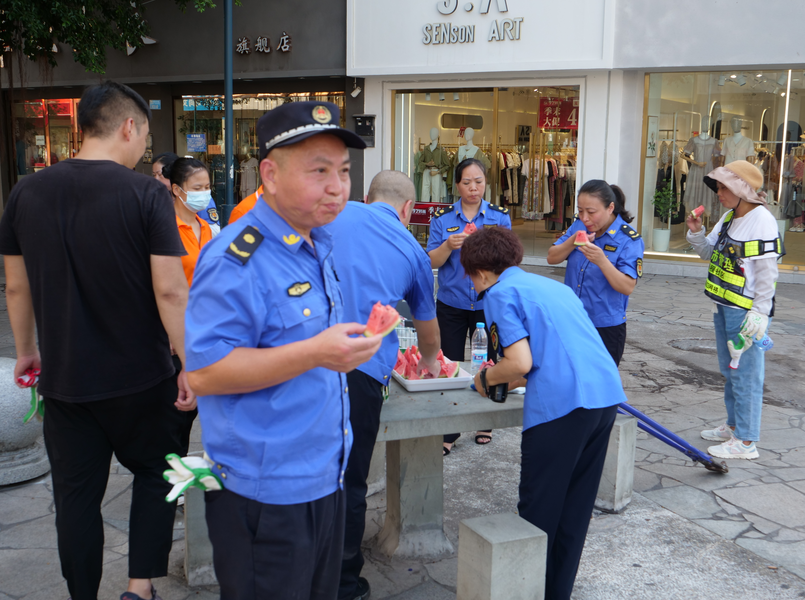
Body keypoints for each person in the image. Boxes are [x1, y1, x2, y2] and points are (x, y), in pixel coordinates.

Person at [0, 80, 195, 600]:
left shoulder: (25, 192)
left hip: (66, 383)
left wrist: (26, 351)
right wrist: (189, 363)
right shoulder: (147, 194)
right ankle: (138, 587)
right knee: (162, 471)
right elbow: (171, 291)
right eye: (144, 135)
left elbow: (15, 285)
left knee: (76, 500)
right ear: (128, 127)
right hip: (142, 378)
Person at [184, 101, 382, 600]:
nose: (337, 187)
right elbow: (205, 373)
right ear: (269, 175)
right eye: (319, 171)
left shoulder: (317, 243)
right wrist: (316, 353)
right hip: (264, 494)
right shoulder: (236, 257)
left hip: (325, 477)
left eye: (343, 171)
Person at [461, 227, 625, 600]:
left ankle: (526, 591)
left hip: (563, 408)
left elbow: (519, 362)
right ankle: (556, 593)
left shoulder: (499, 293)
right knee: (575, 509)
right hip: (604, 397)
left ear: (481, 273)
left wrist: (484, 377)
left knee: (539, 510)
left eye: (470, 276)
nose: (472, 285)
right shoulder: (553, 287)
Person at [327, 171, 441, 600]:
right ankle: (341, 583)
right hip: (359, 373)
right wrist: (429, 366)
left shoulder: (333, 212)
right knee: (349, 479)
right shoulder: (413, 251)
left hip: (300, 358)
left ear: (365, 196)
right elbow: (429, 340)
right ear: (409, 211)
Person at [685, 160, 785, 460]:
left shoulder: (762, 220)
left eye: (724, 187)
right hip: (725, 307)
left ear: (742, 189)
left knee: (746, 374)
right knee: (730, 371)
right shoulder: (729, 217)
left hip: (745, 313)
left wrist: (760, 313)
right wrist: (695, 233)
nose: (718, 192)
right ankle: (733, 425)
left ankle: (745, 441)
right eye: (718, 186)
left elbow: (769, 273)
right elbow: (709, 253)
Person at [427, 157, 511, 454]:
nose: (473, 188)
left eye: (479, 181)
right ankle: (449, 429)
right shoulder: (442, 218)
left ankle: (484, 420)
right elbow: (431, 262)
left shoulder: (499, 217)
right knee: (449, 364)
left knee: (490, 362)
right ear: (457, 185)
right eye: (467, 182)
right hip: (451, 303)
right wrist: (447, 246)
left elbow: (508, 262)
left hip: (489, 303)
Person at [547, 180, 645, 365]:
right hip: (573, 320)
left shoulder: (628, 239)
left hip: (605, 327)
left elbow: (627, 286)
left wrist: (602, 261)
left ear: (610, 208)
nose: (585, 218)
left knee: (599, 388)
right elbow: (552, 257)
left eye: (591, 212)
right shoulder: (578, 226)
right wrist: (572, 241)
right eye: (580, 210)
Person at [153, 152, 221, 235]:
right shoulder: (165, 227)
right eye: (197, 188)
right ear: (176, 189)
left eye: (207, 187)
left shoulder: (204, 227)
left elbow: (214, 232)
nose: (156, 179)